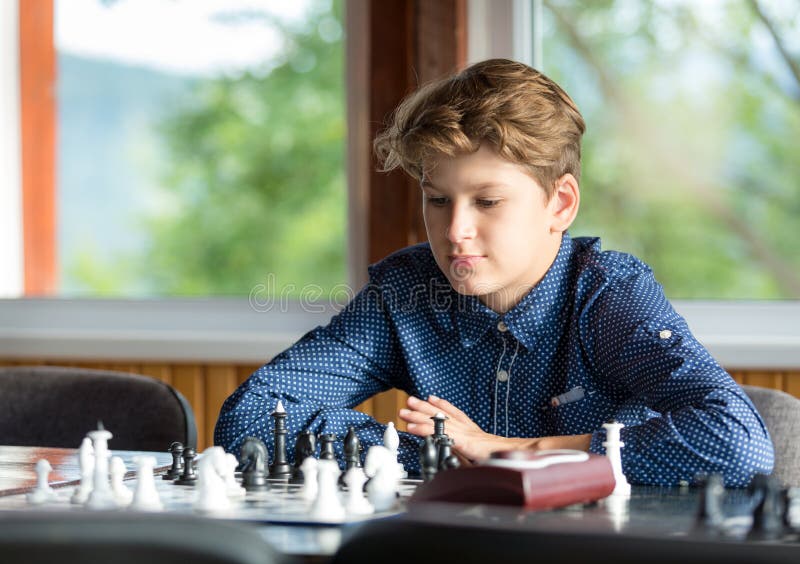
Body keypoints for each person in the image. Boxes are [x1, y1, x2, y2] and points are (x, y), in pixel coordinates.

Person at [215, 59, 774, 487]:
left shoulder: (609, 297)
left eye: (487, 202)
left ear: (560, 204)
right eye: (437, 201)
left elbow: (740, 443)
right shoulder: (407, 292)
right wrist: (443, 451)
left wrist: (513, 451)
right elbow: (252, 418)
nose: (455, 231)